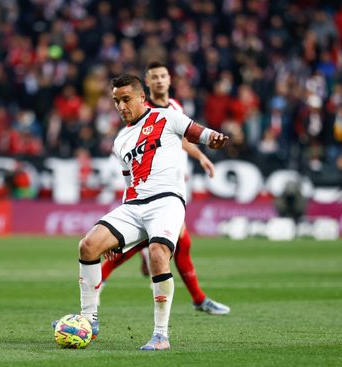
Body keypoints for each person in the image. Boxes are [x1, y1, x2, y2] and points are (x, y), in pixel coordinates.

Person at [75, 74, 228, 351]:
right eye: (116, 101)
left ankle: (160, 335)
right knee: (88, 245)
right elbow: (129, 185)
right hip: (133, 205)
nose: (121, 107)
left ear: (141, 97)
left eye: (126, 99)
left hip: (167, 201)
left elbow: (199, 133)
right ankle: (88, 321)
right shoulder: (120, 142)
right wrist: (117, 236)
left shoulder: (167, 117)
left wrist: (213, 139)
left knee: (159, 253)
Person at [100, 62, 230, 316]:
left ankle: (197, 298)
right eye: (154, 77)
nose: (159, 81)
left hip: (174, 183)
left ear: (169, 80)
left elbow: (182, 137)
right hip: (152, 188)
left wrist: (200, 156)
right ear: (146, 86)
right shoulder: (141, 114)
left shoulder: (174, 109)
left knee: (172, 242)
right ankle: (198, 298)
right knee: (173, 241)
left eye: (163, 76)